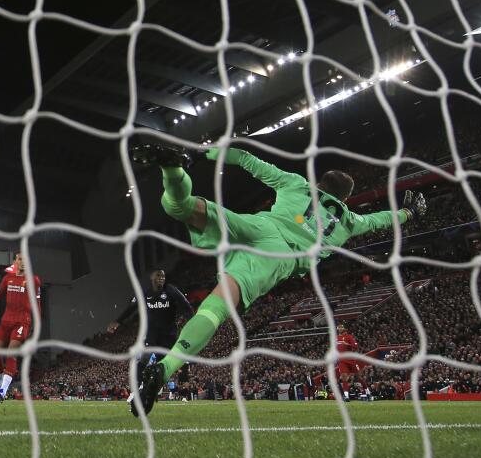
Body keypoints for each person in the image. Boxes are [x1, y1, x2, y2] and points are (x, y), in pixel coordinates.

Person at [128, 143, 426, 415]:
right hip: (279, 255)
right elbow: (382, 220)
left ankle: (172, 167)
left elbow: (245, 159)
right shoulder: (350, 221)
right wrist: (408, 212)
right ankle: (165, 369)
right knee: (215, 308)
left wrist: (200, 153)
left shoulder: (296, 184)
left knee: (182, 207)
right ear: (345, 198)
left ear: (320, 183)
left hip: (258, 226)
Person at [108, 268, 194, 401]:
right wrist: (118, 321)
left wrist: (191, 320)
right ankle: (135, 392)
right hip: (151, 334)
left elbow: (186, 306)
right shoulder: (145, 293)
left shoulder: (171, 290)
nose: (161, 278)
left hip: (169, 334)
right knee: (143, 359)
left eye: (163, 276)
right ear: (152, 278)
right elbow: (131, 308)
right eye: (158, 276)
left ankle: (183, 394)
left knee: (179, 362)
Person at [0, 252, 42, 403]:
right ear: (15, 262)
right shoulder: (7, 278)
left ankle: (2, 391)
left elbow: (37, 304)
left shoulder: (34, 280)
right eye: (20, 259)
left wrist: (36, 326)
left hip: (22, 322)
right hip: (6, 321)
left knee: (11, 353)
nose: (23, 262)